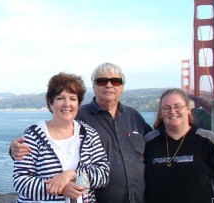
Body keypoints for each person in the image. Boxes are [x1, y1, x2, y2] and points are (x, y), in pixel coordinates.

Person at [10, 63, 152, 203]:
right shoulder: (77, 117)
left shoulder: (133, 116)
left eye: (115, 81)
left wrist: (73, 175)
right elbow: (22, 173)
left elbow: (156, 143)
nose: (109, 85)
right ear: (94, 86)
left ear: (122, 87)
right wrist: (14, 150)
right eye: (102, 81)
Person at [13, 72, 109, 203]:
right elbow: (21, 181)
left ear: (78, 103)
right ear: (51, 102)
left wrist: (73, 175)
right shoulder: (33, 136)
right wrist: (62, 189)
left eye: (73, 98)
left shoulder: (89, 134)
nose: (67, 104)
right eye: (60, 98)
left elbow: (103, 173)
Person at [144, 88, 214, 203]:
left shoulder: (210, 141)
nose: (172, 111)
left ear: (188, 109)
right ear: (161, 113)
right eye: (166, 108)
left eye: (178, 106)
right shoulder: (148, 142)